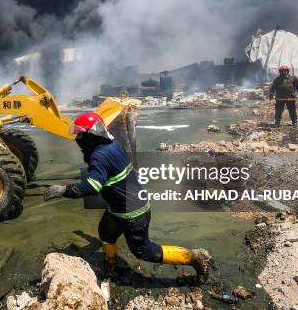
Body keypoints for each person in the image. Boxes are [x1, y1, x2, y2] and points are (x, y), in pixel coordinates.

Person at [43, 112, 213, 283]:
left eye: (79, 134)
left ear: (90, 134)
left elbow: (92, 186)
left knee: (144, 252)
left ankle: (195, 257)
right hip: (118, 209)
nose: (77, 138)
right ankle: (111, 267)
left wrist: (63, 189)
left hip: (133, 214)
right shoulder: (113, 145)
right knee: (105, 233)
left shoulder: (99, 156)